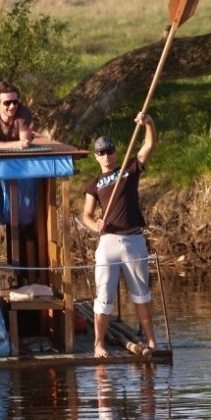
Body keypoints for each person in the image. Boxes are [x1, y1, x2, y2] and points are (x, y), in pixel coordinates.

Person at [80, 116, 158, 358]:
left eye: (109, 151)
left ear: (115, 152)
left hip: (134, 240)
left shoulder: (129, 169)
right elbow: (86, 215)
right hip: (108, 242)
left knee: (141, 293)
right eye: (101, 152)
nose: (106, 155)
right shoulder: (94, 184)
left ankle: (151, 340)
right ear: (96, 156)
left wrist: (148, 123)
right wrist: (95, 225)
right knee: (104, 295)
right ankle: (99, 344)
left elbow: (149, 146)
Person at [0, 81, 34, 149]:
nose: (12, 106)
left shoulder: (24, 112)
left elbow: (24, 144)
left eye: (15, 102)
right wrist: (17, 144)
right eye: (7, 103)